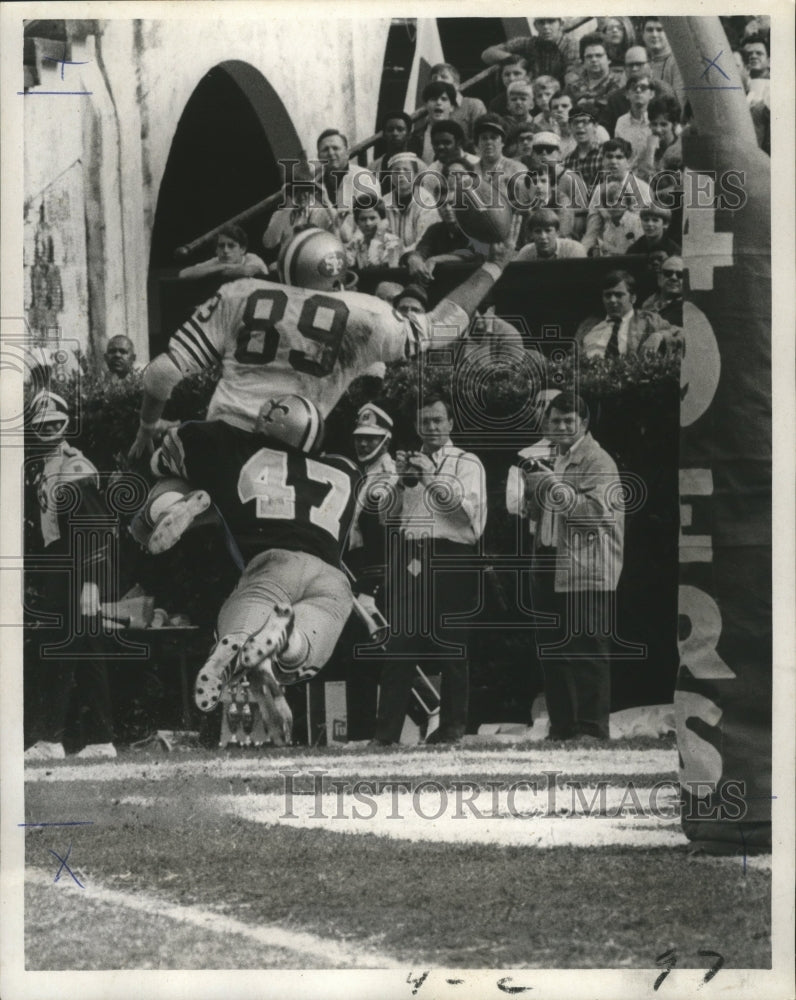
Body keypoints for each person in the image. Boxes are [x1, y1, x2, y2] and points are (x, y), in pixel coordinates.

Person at [128, 224, 516, 456]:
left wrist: (147, 427)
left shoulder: (241, 292)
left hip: (222, 440)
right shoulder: (365, 312)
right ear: (337, 275)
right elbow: (439, 328)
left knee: (168, 480)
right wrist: (494, 266)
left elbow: (161, 374)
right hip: (297, 452)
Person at [137, 395, 359, 744]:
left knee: (239, 627)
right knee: (301, 652)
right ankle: (285, 641)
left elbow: (160, 461)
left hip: (273, 564)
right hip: (332, 576)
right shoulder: (346, 470)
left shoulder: (233, 447)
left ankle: (169, 507)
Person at [372, 392, 487, 746]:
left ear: (450, 423)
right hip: (412, 555)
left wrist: (430, 477)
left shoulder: (468, 462)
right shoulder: (409, 461)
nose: (432, 427)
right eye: (425, 422)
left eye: (438, 420)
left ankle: (452, 730)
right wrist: (398, 482)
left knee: (452, 647)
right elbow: (386, 518)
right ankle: (386, 734)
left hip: (452, 555)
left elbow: (468, 517)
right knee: (400, 646)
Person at [522, 391, 623, 741]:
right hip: (548, 560)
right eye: (555, 420)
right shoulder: (554, 459)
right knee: (552, 648)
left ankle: (593, 729)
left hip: (587, 567)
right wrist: (532, 495)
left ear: (583, 423)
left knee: (587, 648)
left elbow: (594, 516)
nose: (562, 426)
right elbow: (538, 516)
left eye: (569, 420)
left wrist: (550, 486)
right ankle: (562, 728)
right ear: (546, 423)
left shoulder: (599, 461)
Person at [24, 390, 117, 761]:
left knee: (61, 648)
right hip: (60, 562)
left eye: (54, 423)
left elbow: (92, 526)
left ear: (65, 424)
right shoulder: (44, 467)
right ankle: (101, 739)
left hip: (78, 566)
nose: (48, 429)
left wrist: (91, 581)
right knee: (88, 651)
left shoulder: (74, 466)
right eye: (41, 424)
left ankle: (50, 738)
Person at [345, 403, 398, 740]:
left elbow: (383, 541)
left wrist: (370, 589)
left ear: (386, 440)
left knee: (379, 658)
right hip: (355, 575)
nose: (364, 444)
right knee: (358, 656)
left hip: (377, 580)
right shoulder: (359, 476)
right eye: (360, 438)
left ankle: (379, 731)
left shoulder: (387, 481)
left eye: (372, 438)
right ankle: (360, 733)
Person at [405, 159, 488, 283]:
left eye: (452, 204)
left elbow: (474, 254)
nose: (448, 209)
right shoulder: (435, 229)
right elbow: (423, 249)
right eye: (442, 205)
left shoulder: (475, 226)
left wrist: (437, 259)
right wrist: (414, 258)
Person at [574, 269, 679, 358]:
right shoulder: (588, 326)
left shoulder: (648, 320)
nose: (612, 300)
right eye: (607, 295)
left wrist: (659, 335)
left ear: (633, 298)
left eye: (618, 295)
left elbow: (682, 334)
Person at [262, 161, 338, 262]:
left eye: (306, 190)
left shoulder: (320, 212)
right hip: (292, 264)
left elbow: (344, 233)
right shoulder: (281, 215)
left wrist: (327, 202)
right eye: (297, 191)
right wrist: (287, 208)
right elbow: (268, 243)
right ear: (290, 193)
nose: (302, 196)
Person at [315, 129, 381, 243]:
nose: (331, 153)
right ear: (319, 156)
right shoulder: (315, 184)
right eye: (325, 150)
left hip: (359, 245)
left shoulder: (364, 178)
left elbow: (369, 223)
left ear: (347, 152)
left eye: (336, 148)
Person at [602, 47, 676, 136]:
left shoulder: (664, 92)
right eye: (630, 65)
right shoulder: (615, 99)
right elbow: (607, 132)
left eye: (639, 64)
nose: (634, 68)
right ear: (625, 68)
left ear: (650, 64)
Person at [481, 19, 575, 85]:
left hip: (560, 97)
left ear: (561, 24)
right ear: (535, 26)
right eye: (541, 23)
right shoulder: (527, 43)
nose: (546, 26)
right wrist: (514, 58)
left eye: (551, 22)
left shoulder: (571, 45)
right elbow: (487, 54)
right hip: (531, 97)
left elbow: (572, 76)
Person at [382, 152, 440, 253]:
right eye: (396, 171)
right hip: (389, 258)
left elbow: (425, 239)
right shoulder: (384, 201)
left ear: (416, 174)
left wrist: (402, 254)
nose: (401, 175)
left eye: (406, 170)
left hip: (419, 256)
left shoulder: (426, 200)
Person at [178, 225, 268, 282]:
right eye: (221, 246)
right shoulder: (218, 261)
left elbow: (246, 272)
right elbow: (183, 274)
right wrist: (222, 266)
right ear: (216, 250)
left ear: (242, 249)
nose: (225, 250)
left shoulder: (251, 258)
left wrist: (213, 272)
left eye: (231, 246)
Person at [580, 180, 644, 257]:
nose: (614, 204)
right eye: (610, 200)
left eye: (619, 200)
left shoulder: (636, 222)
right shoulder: (607, 227)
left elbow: (641, 251)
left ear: (627, 203)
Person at [429, 63, 487, 144]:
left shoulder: (473, 105)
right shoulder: (431, 110)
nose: (438, 81)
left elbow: (481, 139)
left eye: (444, 77)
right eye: (435, 78)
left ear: (456, 84)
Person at [568, 33, 620, 120]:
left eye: (598, 55)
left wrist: (591, 103)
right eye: (589, 56)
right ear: (583, 61)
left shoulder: (618, 82)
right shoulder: (573, 87)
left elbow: (612, 106)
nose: (594, 60)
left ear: (609, 59)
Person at [345, 195, 403, 270]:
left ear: (382, 220)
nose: (368, 223)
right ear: (357, 222)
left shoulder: (393, 242)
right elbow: (344, 264)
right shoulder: (357, 243)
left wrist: (378, 236)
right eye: (363, 219)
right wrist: (336, 228)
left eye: (372, 218)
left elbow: (373, 266)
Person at [635, 94, 683, 182]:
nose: (658, 129)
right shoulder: (646, 148)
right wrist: (650, 152)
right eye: (654, 124)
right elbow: (642, 182)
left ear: (674, 125)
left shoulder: (680, 149)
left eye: (663, 124)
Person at [370, 110, 419, 194]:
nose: (395, 133)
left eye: (400, 129)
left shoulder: (420, 166)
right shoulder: (374, 167)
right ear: (384, 135)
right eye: (390, 130)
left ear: (409, 135)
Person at [514, 207, 586, 260]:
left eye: (548, 231)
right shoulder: (526, 253)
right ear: (531, 234)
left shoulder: (574, 250)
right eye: (537, 231)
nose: (543, 236)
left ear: (557, 232)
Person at [614, 76, 655, 168]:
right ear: (627, 94)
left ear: (652, 94)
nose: (638, 90)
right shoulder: (621, 122)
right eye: (634, 88)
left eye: (643, 88)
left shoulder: (657, 121)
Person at [414, 81, 458, 165]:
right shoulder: (416, 137)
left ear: (452, 107)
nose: (438, 103)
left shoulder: (461, 138)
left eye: (444, 99)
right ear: (426, 105)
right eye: (433, 99)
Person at [640, 18, 684, 95]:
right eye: (649, 30)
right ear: (643, 34)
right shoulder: (639, 59)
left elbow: (679, 101)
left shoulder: (678, 62)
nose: (654, 35)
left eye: (660, 30)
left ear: (668, 34)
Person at [640, 254, 684, 325]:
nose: (674, 277)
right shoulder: (647, 304)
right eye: (668, 273)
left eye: (680, 275)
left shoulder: (689, 311)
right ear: (659, 276)